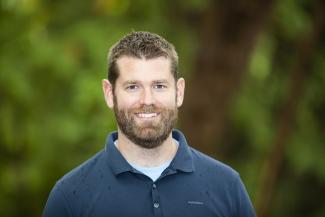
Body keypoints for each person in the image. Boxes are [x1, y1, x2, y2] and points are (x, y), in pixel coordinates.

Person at [42, 31, 256, 217]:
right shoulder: (70, 197)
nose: (147, 100)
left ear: (179, 92)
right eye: (133, 87)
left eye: (160, 86)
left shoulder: (226, 186)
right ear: (109, 94)